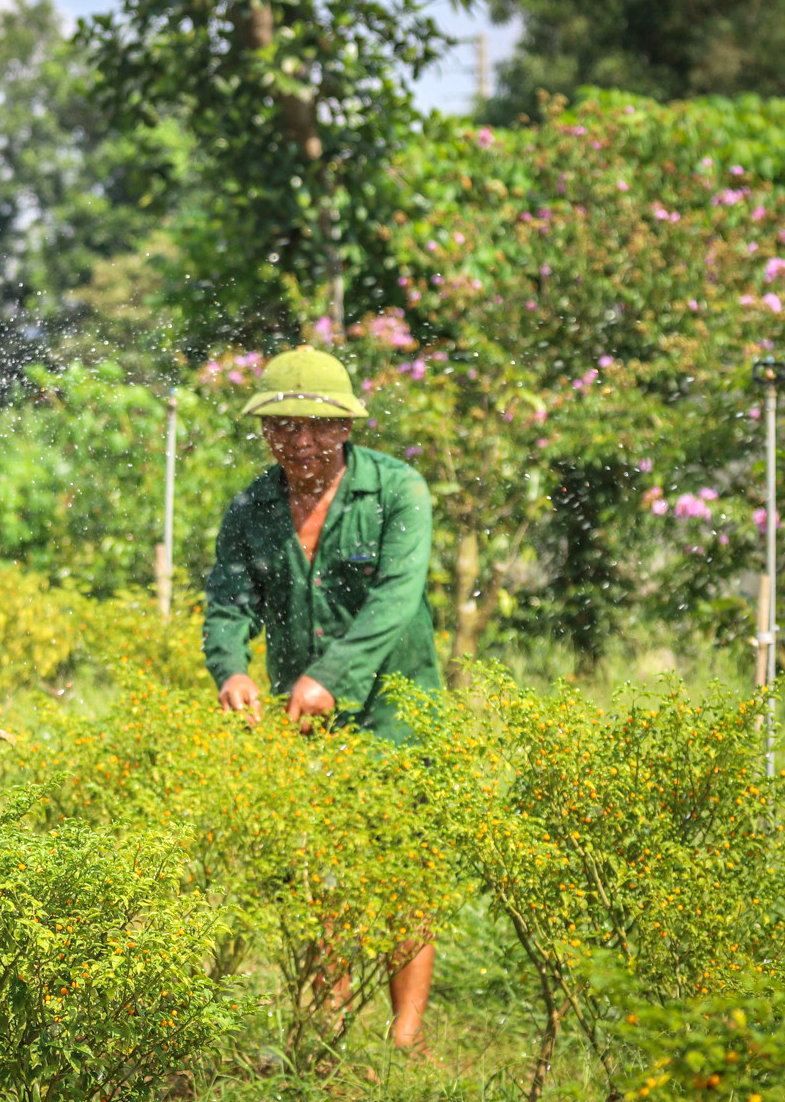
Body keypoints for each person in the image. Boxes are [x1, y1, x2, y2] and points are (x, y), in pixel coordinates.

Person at [201, 345, 443, 1050]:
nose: (299, 441)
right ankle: (328, 1034)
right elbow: (227, 602)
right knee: (322, 877)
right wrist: (231, 672)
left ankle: (406, 1040)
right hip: (301, 721)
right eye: (282, 426)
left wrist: (331, 676)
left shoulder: (398, 490)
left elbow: (396, 600)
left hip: (398, 712)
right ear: (266, 431)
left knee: (402, 872)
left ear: (345, 428)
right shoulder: (251, 508)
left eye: (316, 426)